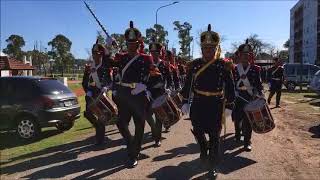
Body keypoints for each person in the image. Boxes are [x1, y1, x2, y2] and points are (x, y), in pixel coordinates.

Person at [180, 24, 235, 178]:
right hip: (198, 103)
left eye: (211, 48)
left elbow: (230, 86)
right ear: (202, 49)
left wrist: (230, 104)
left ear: (216, 49)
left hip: (216, 104)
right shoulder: (195, 64)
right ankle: (204, 149)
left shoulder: (223, 65)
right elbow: (188, 84)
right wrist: (185, 101)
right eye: (206, 48)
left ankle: (212, 165)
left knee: (215, 136)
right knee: (197, 130)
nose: (208, 51)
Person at [112, 21, 156, 168]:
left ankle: (134, 154)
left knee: (139, 125)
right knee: (120, 122)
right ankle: (132, 145)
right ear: (126, 43)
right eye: (129, 43)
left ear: (139, 43)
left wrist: (144, 85)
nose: (131, 45)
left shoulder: (146, 58)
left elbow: (155, 76)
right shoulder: (121, 57)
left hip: (139, 96)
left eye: (134, 43)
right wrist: (107, 48)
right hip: (124, 94)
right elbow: (108, 66)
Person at [233, 39, 264, 151]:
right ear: (239, 56)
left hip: (249, 97)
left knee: (248, 121)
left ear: (250, 56)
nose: (245, 57)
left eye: (247, 55)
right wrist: (232, 92)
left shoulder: (255, 69)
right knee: (237, 119)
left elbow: (258, 84)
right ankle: (237, 134)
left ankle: (247, 142)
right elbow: (231, 82)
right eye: (243, 55)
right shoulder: (234, 68)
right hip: (237, 96)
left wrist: (260, 94)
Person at [82, 41, 113, 145]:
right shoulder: (90, 67)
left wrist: (106, 87)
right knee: (87, 114)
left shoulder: (105, 66)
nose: (95, 56)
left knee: (102, 117)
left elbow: (110, 81)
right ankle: (99, 130)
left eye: (98, 54)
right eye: (94, 54)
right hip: (91, 96)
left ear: (101, 54)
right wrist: (88, 91)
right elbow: (84, 82)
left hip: (102, 96)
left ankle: (100, 139)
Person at [146, 41, 172, 147]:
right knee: (147, 115)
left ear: (159, 52)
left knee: (158, 117)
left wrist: (168, 88)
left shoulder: (164, 64)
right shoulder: (147, 64)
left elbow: (170, 79)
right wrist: (145, 89)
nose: (153, 54)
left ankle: (157, 138)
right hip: (149, 94)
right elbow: (143, 78)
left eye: (155, 52)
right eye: (151, 52)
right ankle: (153, 130)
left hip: (160, 93)